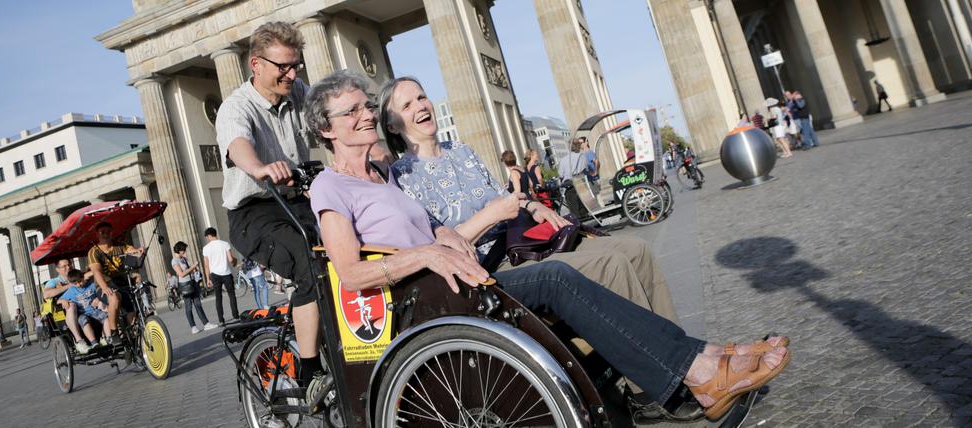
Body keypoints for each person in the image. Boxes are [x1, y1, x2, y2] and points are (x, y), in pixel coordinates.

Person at [305, 70, 790, 420]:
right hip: (427, 300)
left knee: (604, 261)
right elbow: (350, 273)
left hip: (460, 279)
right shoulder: (331, 187)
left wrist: (446, 236)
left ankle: (702, 363)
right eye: (352, 111)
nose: (365, 115)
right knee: (557, 277)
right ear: (326, 129)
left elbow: (430, 227)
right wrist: (429, 253)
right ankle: (698, 368)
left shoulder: (382, 175)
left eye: (367, 106)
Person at [383, 77, 679, 323]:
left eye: (422, 97)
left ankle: (681, 358)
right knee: (611, 264)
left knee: (637, 249)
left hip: (524, 241)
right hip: (492, 265)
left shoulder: (461, 149)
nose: (420, 106)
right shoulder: (403, 176)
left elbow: (504, 198)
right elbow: (438, 248)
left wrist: (532, 205)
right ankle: (654, 382)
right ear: (394, 125)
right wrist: (494, 215)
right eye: (407, 105)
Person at [215, 21, 323, 386]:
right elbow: (238, 145)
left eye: (296, 65)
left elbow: (329, 120)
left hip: (295, 201)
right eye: (283, 67)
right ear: (255, 64)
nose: (292, 75)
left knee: (350, 240)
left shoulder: (298, 92)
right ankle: (310, 370)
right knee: (308, 258)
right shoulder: (235, 108)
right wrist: (261, 167)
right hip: (254, 212)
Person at [87, 221, 144, 346]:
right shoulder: (94, 252)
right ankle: (113, 333)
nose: (106, 234)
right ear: (97, 234)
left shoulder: (119, 246)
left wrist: (138, 251)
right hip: (105, 284)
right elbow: (96, 272)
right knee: (115, 298)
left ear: (112, 233)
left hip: (123, 283)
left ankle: (134, 344)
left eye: (108, 232)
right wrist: (105, 287)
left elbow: (131, 250)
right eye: (102, 232)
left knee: (132, 314)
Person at [58, 269, 111, 353]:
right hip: (83, 313)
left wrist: (97, 298)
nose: (79, 285)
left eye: (80, 281)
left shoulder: (91, 285)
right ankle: (94, 342)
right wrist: (63, 301)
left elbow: (96, 277)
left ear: (83, 278)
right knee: (84, 321)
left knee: (105, 317)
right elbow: (59, 300)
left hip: (94, 310)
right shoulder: (72, 290)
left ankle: (107, 338)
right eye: (75, 284)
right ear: (72, 284)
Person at [173, 241, 216, 334]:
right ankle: (193, 327)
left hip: (192, 283)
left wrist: (194, 270)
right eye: (183, 250)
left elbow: (188, 270)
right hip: (185, 285)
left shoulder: (183, 259)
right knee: (188, 307)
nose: (184, 252)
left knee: (198, 304)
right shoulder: (174, 261)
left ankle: (206, 324)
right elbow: (181, 274)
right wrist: (193, 267)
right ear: (179, 250)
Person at [43, 259, 88, 346]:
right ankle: (79, 341)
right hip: (67, 310)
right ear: (57, 269)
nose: (68, 267)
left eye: (69, 264)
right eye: (64, 266)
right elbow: (46, 294)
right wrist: (68, 286)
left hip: (86, 304)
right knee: (71, 306)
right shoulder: (54, 282)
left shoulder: (78, 275)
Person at [202, 227, 239, 324]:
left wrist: (207, 279)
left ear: (209, 236)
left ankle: (221, 320)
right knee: (231, 295)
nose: (207, 239)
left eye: (207, 237)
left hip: (215, 275)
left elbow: (206, 265)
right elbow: (231, 259)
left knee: (218, 297)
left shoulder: (206, 248)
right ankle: (236, 316)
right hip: (226, 273)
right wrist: (235, 261)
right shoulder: (225, 244)